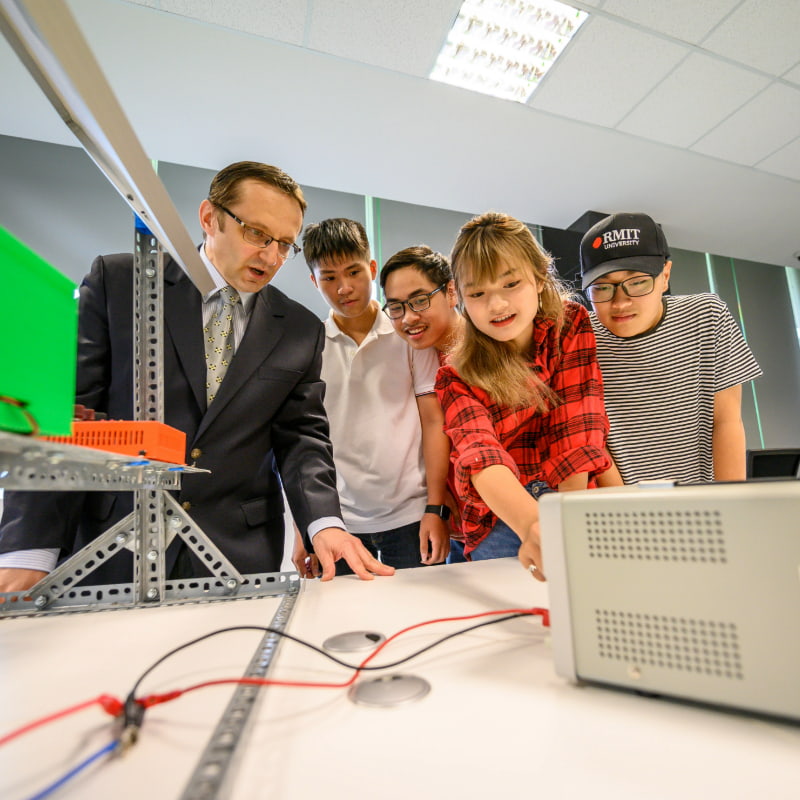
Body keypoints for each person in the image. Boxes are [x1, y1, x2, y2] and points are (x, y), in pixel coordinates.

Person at [0, 161, 393, 591]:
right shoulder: (120, 283)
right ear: (210, 218)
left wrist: (323, 523)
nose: (271, 256)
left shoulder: (299, 328)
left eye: (285, 244)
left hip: (237, 552)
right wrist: (29, 550)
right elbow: (62, 418)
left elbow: (301, 437)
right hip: (114, 543)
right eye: (257, 234)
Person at [435, 212, 611, 578]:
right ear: (461, 299)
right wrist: (533, 525)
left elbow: (577, 429)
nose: (496, 306)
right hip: (500, 519)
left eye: (511, 284)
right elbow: (481, 456)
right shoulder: (455, 375)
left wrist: (562, 521)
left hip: (572, 499)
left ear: (539, 277)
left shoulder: (571, 324)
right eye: (478, 294)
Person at [292, 220, 450, 577]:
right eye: (329, 277)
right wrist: (307, 525)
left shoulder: (408, 334)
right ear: (314, 281)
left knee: (420, 622)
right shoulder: (308, 347)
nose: (345, 288)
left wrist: (436, 508)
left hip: (413, 517)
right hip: (340, 525)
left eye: (354, 272)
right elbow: (303, 443)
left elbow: (433, 422)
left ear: (372, 269)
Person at [580, 212, 762, 485]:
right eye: (602, 288)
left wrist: (731, 504)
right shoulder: (581, 337)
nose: (620, 302)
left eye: (638, 282)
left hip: (703, 500)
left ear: (665, 275)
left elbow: (726, 422)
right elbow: (592, 441)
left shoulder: (706, 316)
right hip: (622, 507)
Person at [379, 245, 467, 563]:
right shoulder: (419, 357)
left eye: (419, 301)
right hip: (454, 526)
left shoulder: (488, 351)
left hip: (507, 524)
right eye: (397, 308)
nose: (409, 318)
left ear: (452, 292)